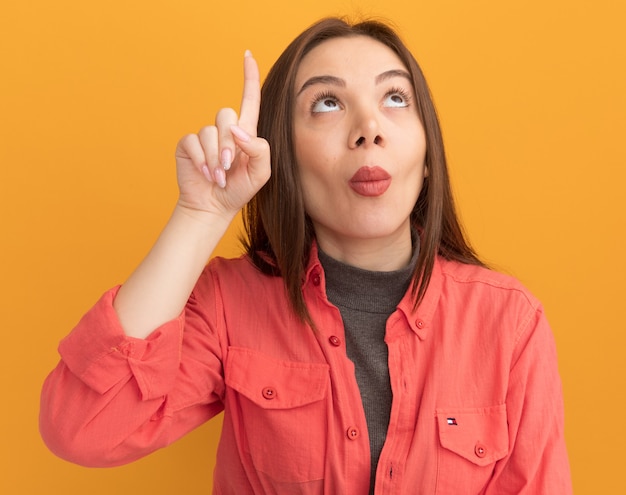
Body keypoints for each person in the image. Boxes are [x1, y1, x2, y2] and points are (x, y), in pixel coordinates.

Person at [40, 17, 572, 494]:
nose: (369, 130)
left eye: (394, 99)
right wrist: (200, 215)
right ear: (282, 157)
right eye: (327, 103)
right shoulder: (229, 304)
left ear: (428, 154)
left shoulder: (511, 323)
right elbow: (82, 428)